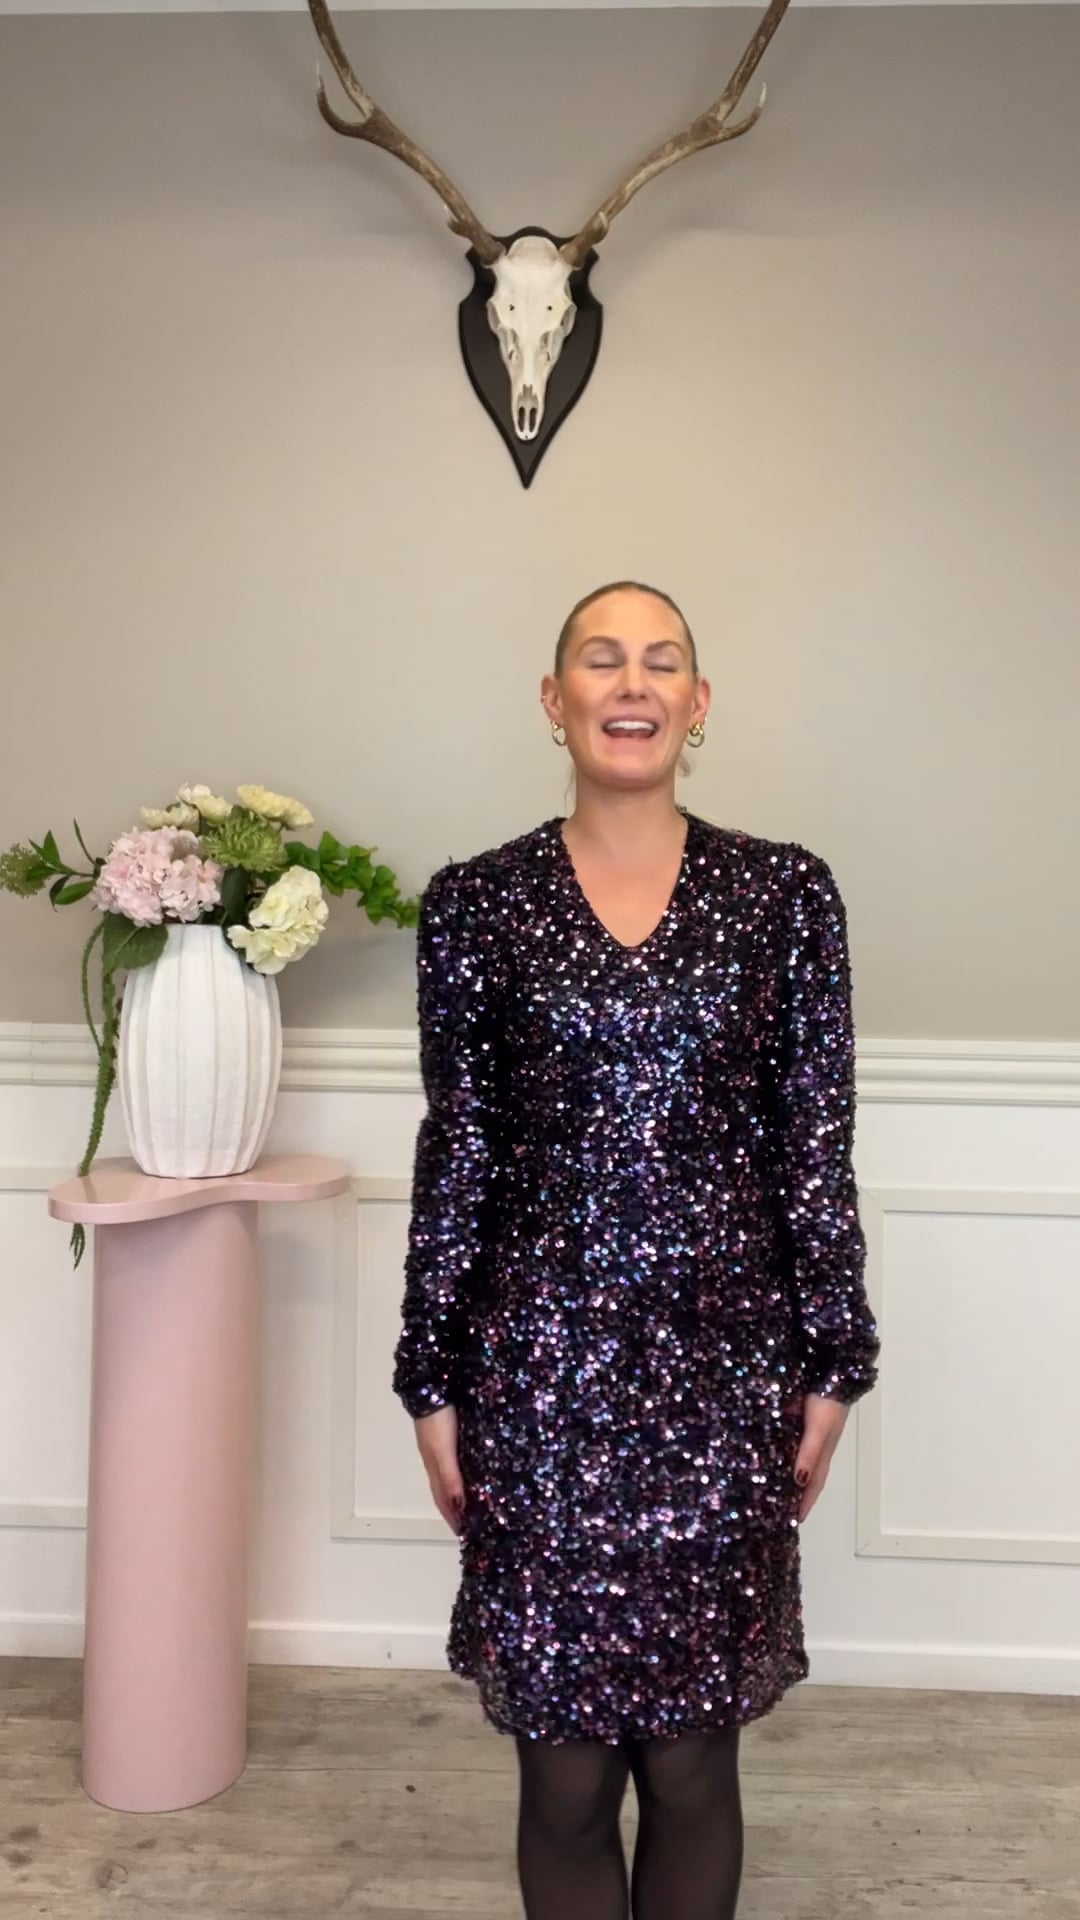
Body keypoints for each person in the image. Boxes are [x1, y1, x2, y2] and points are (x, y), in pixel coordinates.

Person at [392, 580, 881, 1920]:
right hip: (538, 1384)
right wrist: (429, 1377)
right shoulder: (478, 903)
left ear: (697, 703)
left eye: (662, 661)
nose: (633, 682)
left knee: (690, 1763)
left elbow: (814, 1145)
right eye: (602, 659)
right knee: (561, 1779)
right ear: (554, 700)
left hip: (722, 1381)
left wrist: (836, 1361)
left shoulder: (784, 896)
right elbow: (460, 1152)